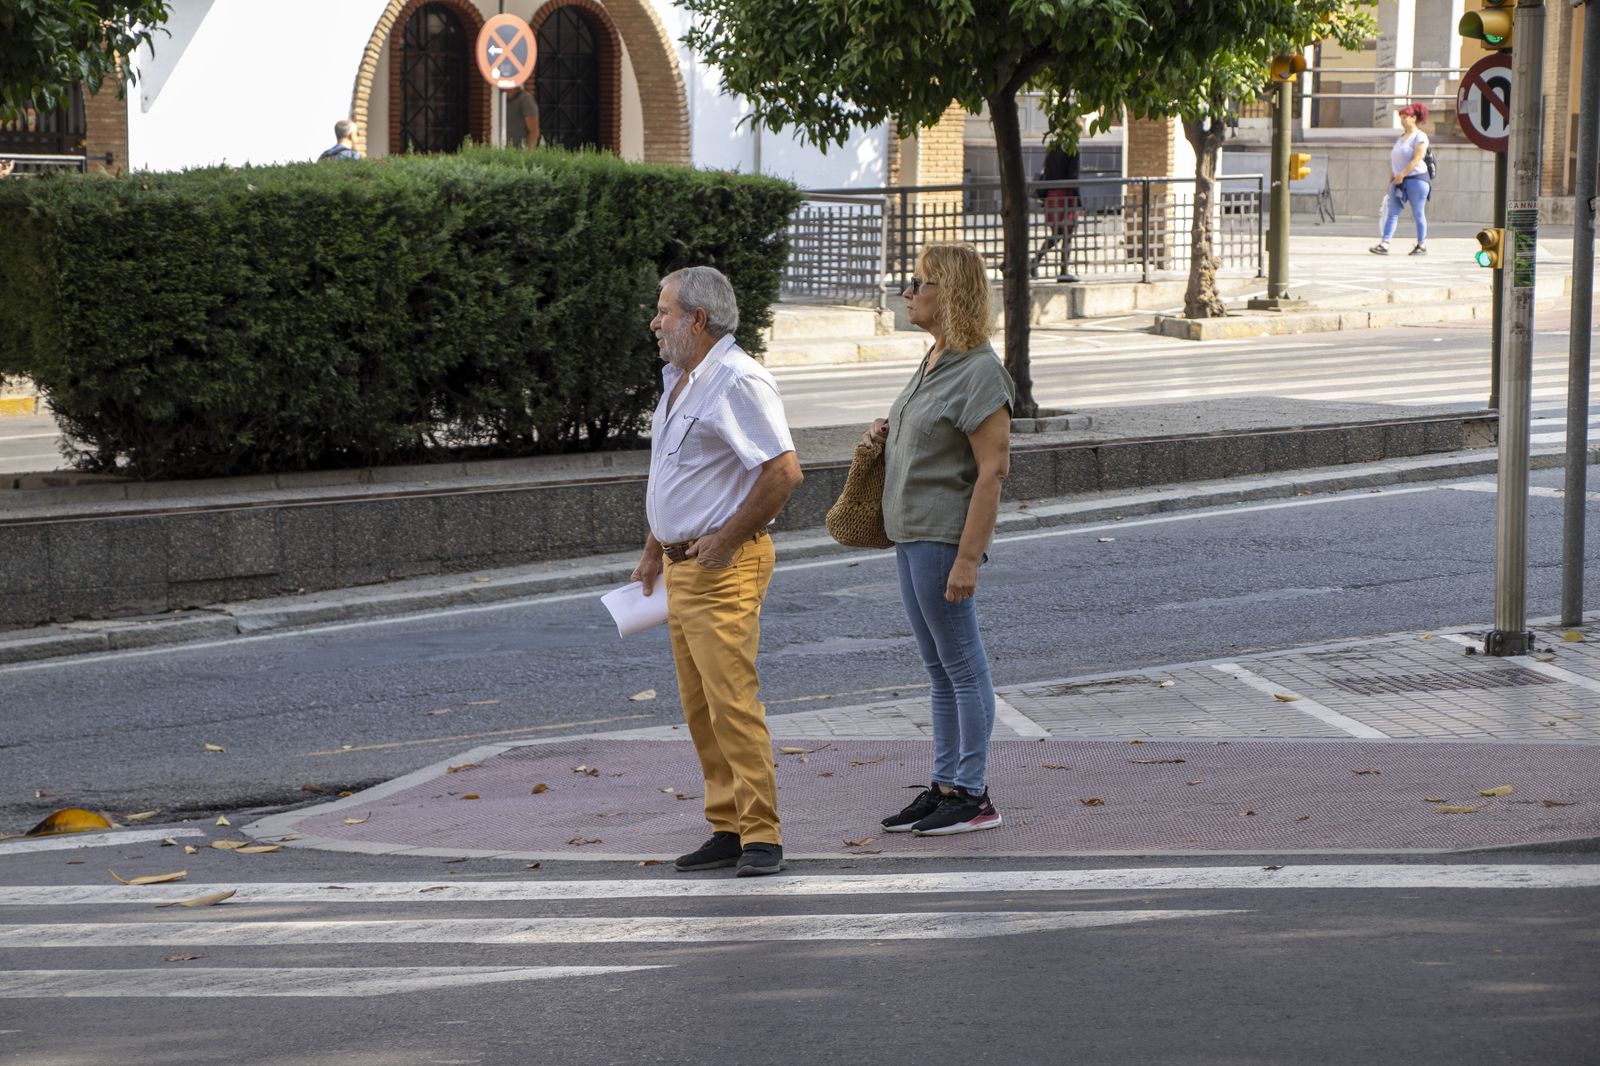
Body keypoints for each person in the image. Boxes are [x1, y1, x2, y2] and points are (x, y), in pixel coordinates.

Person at [631, 265, 804, 877]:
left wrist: (725, 542)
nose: (655, 322)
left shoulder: (737, 380)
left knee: (732, 703)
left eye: (665, 311)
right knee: (701, 706)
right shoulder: (681, 379)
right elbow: (676, 475)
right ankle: (727, 826)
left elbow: (782, 472)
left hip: (720, 565)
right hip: (682, 565)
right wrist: (654, 549)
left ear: (697, 320)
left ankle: (762, 836)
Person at [868, 241, 1013, 836]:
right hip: (910, 534)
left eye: (919, 282)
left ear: (949, 294)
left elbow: (993, 471)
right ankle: (946, 783)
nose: (908, 291)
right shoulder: (934, 360)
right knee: (938, 669)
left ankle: (973, 794)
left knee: (963, 665)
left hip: (942, 538)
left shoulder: (980, 371)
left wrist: (968, 558)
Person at [1371, 103, 1431, 256]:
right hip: (1399, 181)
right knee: (1392, 212)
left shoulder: (1420, 136)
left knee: (1418, 212)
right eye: (1401, 118)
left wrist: (1402, 174)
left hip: (1417, 179)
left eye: (1405, 117)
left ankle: (1421, 244)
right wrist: (1391, 181)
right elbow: (1395, 163)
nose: (1402, 121)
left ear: (1414, 118)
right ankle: (1385, 243)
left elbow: (1417, 158)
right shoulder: (1401, 138)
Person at [1029, 142, 1082, 281]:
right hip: (1065, 195)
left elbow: (1046, 172)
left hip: (1052, 195)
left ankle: (1035, 261)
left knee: (1058, 233)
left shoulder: (1052, 149)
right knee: (1067, 234)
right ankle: (1063, 271)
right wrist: (1079, 202)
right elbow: (1073, 177)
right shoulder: (1072, 150)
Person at [505, 83, 540, 148]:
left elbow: (534, 131)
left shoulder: (525, 99)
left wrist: (527, 154)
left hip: (519, 152)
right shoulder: (502, 100)